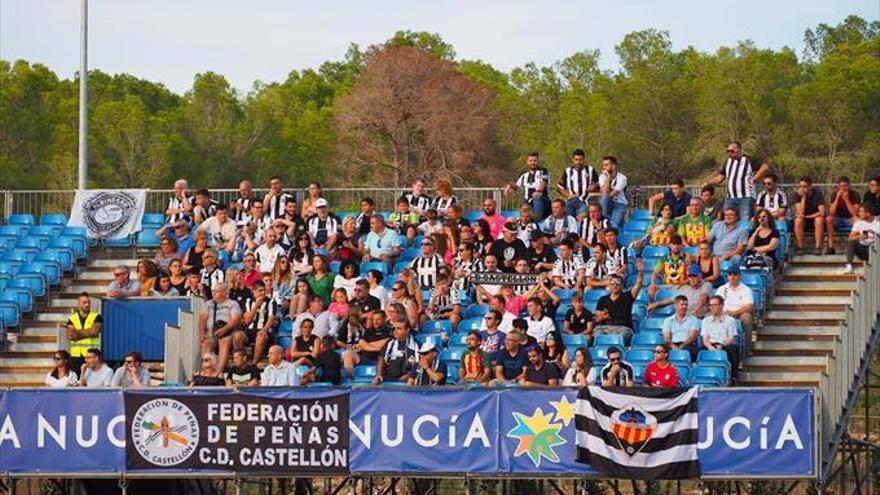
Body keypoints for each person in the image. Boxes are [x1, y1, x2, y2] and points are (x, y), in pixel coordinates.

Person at [704, 140, 770, 221]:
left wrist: (755, 178)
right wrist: (708, 183)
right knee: (728, 220)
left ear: (739, 150)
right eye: (727, 151)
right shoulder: (727, 162)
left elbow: (765, 167)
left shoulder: (748, 160)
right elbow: (720, 178)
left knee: (745, 221)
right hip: (730, 198)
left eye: (732, 151)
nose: (729, 153)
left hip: (746, 197)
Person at [594, 260, 645, 345]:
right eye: (612, 283)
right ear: (609, 285)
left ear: (621, 285)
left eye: (617, 283)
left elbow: (638, 284)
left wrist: (641, 272)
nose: (615, 285)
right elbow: (597, 317)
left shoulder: (628, 296)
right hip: (605, 327)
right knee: (597, 335)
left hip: (623, 328)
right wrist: (601, 318)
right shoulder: (602, 299)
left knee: (621, 336)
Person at [197, 283, 242, 374]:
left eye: (216, 291)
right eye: (213, 291)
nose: (213, 293)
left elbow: (235, 320)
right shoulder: (208, 304)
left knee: (224, 342)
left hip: (228, 332)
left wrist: (224, 329)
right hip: (211, 333)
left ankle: (218, 372)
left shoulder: (232, 304)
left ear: (224, 293)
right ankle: (206, 372)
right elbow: (202, 320)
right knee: (206, 343)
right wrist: (202, 333)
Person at [715, 266, 755, 351]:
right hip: (724, 314)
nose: (732, 277)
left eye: (735, 274)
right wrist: (722, 313)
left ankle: (747, 348)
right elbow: (715, 303)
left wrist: (734, 313)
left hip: (740, 314)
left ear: (740, 276)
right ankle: (716, 345)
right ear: (727, 276)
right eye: (730, 274)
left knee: (747, 317)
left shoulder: (746, 289)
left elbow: (749, 306)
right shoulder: (722, 289)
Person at [343, 310, 392, 375]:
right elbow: (361, 342)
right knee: (348, 354)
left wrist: (366, 346)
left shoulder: (389, 330)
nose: (375, 322)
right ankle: (350, 381)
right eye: (374, 320)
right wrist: (379, 348)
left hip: (381, 360)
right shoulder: (369, 331)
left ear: (384, 319)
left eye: (378, 319)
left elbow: (387, 342)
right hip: (366, 358)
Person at [505, 152, 551, 220]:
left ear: (538, 161)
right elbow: (516, 185)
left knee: (536, 198)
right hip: (528, 202)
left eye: (535, 161)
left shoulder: (543, 171)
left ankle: (536, 221)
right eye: (530, 161)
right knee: (524, 206)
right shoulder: (524, 174)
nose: (532, 163)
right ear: (527, 162)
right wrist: (509, 186)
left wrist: (538, 191)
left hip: (542, 201)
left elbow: (544, 182)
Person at [240, 280, 277, 365]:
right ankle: (241, 362)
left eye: (264, 290)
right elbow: (247, 321)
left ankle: (253, 364)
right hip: (249, 330)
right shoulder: (248, 302)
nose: (263, 293)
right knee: (237, 336)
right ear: (253, 291)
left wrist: (264, 330)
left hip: (264, 330)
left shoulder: (271, 302)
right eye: (260, 290)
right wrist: (256, 305)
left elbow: (271, 319)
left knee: (261, 336)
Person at [702, 295, 740, 374]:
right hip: (710, 345)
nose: (712, 308)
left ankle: (734, 377)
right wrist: (710, 346)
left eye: (715, 305)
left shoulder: (730, 320)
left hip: (724, 345)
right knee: (699, 351)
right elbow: (705, 338)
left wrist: (722, 345)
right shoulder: (705, 320)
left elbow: (731, 338)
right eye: (710, 305)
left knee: (734, 349)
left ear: (721, 306)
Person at [65, 293, 102, 373]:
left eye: (88, 302)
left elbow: (94, 332)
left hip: (92, 355)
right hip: (75, 356)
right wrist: (87, 332)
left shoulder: (96, 316)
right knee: (76, 380)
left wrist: (76, 332)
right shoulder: (72, 318)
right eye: (84, 302)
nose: (87, 304)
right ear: (78, 304)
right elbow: (70, 336)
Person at [557, 148, 600, 218]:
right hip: (571, 201)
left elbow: (599, 183)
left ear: (584, 159)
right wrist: (568, 195)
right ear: (573, 160)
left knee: (581, 218)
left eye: (581, 160)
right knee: (567, 219)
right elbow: (559, 187)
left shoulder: (590, 170)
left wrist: (594, 186)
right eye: (576, 160)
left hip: (585, 201)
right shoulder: (568, 171)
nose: (578, 162)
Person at [825, 176, 862, 254]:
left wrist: (846, 199)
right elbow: (831, 212)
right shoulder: (834, 194)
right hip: (838, 219)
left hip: (850, 219)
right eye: (841, 186)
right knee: (829, 219)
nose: (843, 188)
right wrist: (837, 198)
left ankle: (856, 246)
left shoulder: (855, 194)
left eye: (845, 186)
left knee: (857, 220)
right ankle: (831, 247)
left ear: (849, 186)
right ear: (838, 186)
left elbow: (855, 213)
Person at [792, 176, 827, 255]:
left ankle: (818, 247)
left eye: (804, 186)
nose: (802, 188)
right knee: (798, 221)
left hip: (814, 217)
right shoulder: (796, 195)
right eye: (800, 186)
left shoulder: (817, 193)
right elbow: (801, 212)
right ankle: (800, 247)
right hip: (804, 219)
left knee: (819, 220)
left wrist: (810, 216)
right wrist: (803, 197)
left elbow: (822, 212)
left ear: (810, 186)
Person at [648, 234, 688, 299]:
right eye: (674, 244)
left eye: (678, 244)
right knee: (651, 289)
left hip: (681, 286)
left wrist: (688, 261)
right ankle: (652, 307)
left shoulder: (686, 257)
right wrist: (652, 283)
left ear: (681, 245)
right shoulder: (664, 258)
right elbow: (655, 273)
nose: (676, 246)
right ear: (670, 245)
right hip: (667, 285)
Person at [662, 295, 700, 361]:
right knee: (660, 351)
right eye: (682, 304)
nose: (684, 307)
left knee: (692, 351)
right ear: (675, 305)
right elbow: (667, 338)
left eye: (686, 305)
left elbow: (692, 337)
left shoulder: (694, 319)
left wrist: (681, 347)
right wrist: (674, 347)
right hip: (672, 345)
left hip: (687, 345)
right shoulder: (667, 320)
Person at [843, 205, 880, 274]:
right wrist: (859, 236)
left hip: (877, 250)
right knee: (852, 242)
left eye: (861, 212)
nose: (859, 214)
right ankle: (849, 266)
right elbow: (850, 237)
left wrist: (874, 233)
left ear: (868, 213)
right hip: (865, 250)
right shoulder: (859, 223)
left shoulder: (878, 222)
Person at [597, 155, 628, 227]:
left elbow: (612, 194)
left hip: (620, 203)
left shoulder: (622, 178)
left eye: (606, 165)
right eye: (603, 165)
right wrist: (608, 177)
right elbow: (604, 192)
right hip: (607, 203)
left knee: (615, 225)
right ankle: (603, 220)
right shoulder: (602, 177)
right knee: (604, 198)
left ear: (613, 166)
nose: (604, 167)